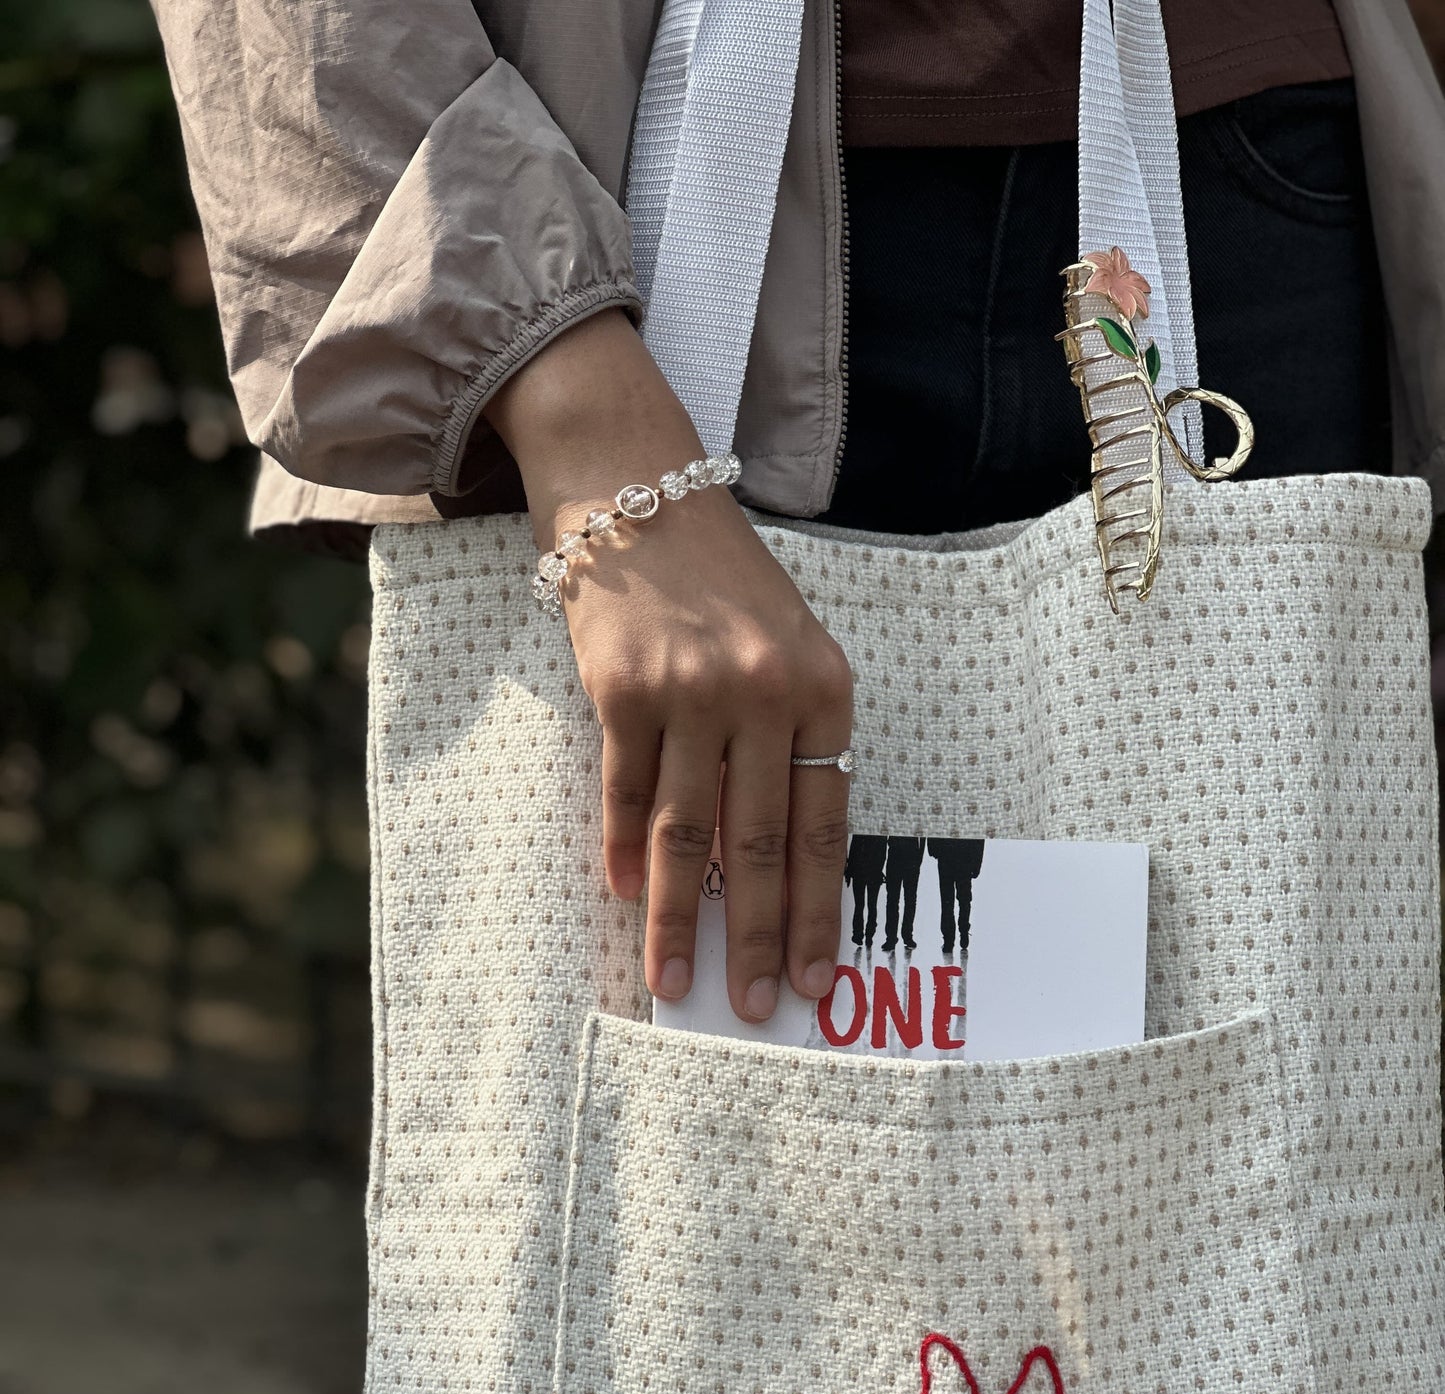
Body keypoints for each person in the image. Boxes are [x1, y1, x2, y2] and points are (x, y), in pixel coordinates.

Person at [148, 0, 1445, 1022]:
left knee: (1228, 1186)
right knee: (677, 1148)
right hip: (629, 220)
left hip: (1259, 176)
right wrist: (578, 410)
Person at [881, 834, 925, 953]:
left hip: (910, 857)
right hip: (896, 855)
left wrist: (919, 857)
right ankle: (892, 937)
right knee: (894, 899)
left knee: (906, 899)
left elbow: (923, 834)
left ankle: (905, 936)